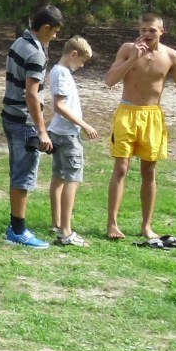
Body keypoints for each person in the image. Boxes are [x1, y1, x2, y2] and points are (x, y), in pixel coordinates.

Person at [104, 14, 176, 245]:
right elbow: (110, 80)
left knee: (149, 171)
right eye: (143, 30)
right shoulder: (128, 49)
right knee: (121, 168)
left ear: (162, 31)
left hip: (152, 116)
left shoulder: (171, 56)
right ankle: (112, 223)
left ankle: (146, 225)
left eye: (152, 31)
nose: (147, 34)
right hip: (127, 113)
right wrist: (132, 58)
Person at [2, 4, 64, 249]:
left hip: (9, 115)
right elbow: (31, 93)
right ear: (45, 27)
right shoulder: (36, 53)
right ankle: (18, 230)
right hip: (23, 121)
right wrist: (41, 130)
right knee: (23, 177)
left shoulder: (20, 41)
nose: (56, 36)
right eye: (55, 31)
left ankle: (15, 225)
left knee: (18, 173)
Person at [48, 36, 100, 246]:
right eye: (82, 61)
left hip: (61, 132)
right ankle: (66, 232)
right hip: (67, 134)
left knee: (59, 177)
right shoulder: (61, 73)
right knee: (72, 178)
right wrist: (85, 124)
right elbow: (59, 106)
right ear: (74, 54)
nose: (82, 65)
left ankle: (57, 223)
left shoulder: (61, 72)